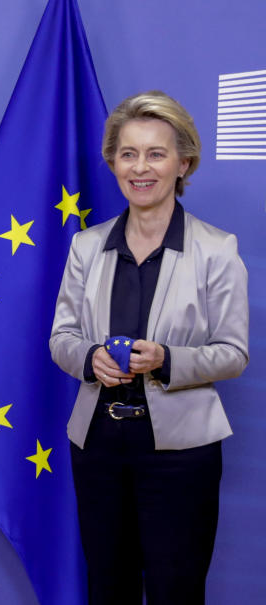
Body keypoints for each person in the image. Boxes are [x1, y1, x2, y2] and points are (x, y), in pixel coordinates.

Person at [49, 91, 249, 604]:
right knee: (107, 587)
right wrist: (89, 359)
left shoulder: (216, 249)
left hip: (182, 453)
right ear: (113, 161)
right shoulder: (87, 245)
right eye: (129, 153)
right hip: (96, 445)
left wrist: (169, 360)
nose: (141, 167)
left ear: (184, 163)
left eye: (156, 154)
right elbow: (61, 338)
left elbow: (234, 351)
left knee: (175, 590)